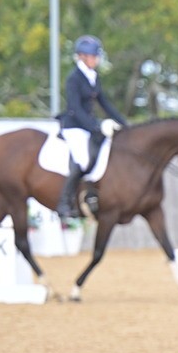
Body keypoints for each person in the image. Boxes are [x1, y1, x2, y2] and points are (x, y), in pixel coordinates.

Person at [56, 35, 128, 218]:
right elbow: (74, 108)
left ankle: (92, 194)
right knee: (82, 160)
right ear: (82, 56)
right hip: (74, 126)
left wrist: (124, 123)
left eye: (97, 56)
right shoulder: (74, 78)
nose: (96, 59)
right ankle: (64, 203)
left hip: (88, 126)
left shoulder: (93, 76)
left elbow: (105, 104)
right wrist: (95, 126)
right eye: (93, 56)